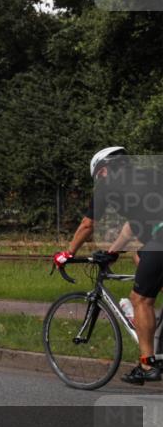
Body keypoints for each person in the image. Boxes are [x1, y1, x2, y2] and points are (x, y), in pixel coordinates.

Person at [52, 146, 163, 385]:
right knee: (140, 255)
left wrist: (68, 253)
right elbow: (133, 227)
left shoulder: (107, 187)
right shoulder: (149, 176)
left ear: (103, 171)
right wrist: (112, 252)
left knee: (141, 299)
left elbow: (87, 225)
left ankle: (147, 364)